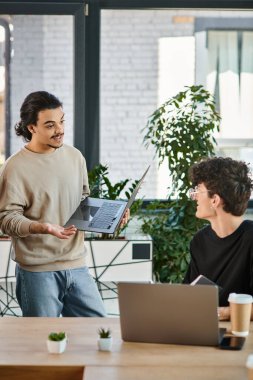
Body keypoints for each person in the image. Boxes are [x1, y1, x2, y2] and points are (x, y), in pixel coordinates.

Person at [0, 91, 129, 317]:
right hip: (37, 272)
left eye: (62, 121)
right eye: (50, 125)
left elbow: (82, 203)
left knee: (97, 331)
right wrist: (42, 226)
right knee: (43, 344)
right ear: (32, 128)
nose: (60, 130)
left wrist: (111, 217)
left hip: (77, 264)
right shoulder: (15, 167)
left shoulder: (75, 157)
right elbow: (6, 219)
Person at [183, 156, 253, 321]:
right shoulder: (199, 241)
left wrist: (221, 312)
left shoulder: (251, 238)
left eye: (198, 191)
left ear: (214, 200)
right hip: (205, 329)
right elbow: (188, 295)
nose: (194, 197)